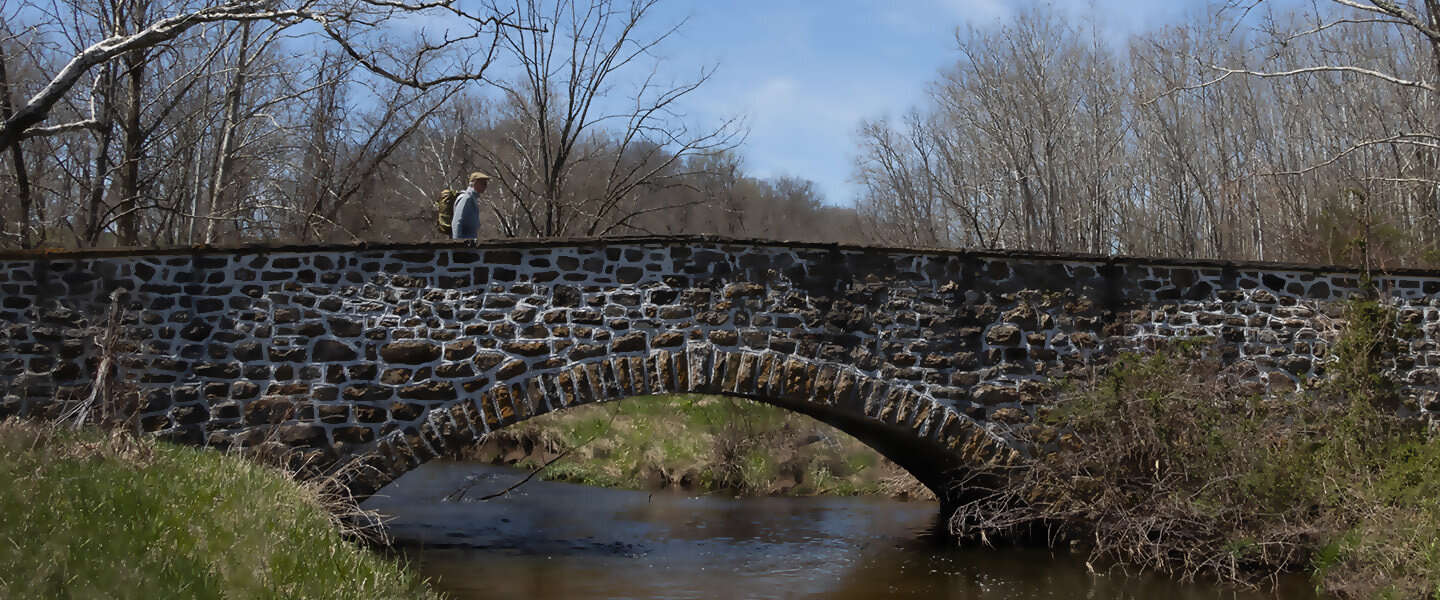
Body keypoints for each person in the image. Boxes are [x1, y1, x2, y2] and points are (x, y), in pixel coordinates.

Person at [451, 171, 489, 239]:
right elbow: (456, 222)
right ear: (475, 183)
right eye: (483, 183)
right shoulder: (467, 198)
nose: (485, 186)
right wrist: (458, 245)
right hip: (464, 247)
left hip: (470, 245)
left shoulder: (472, 198)